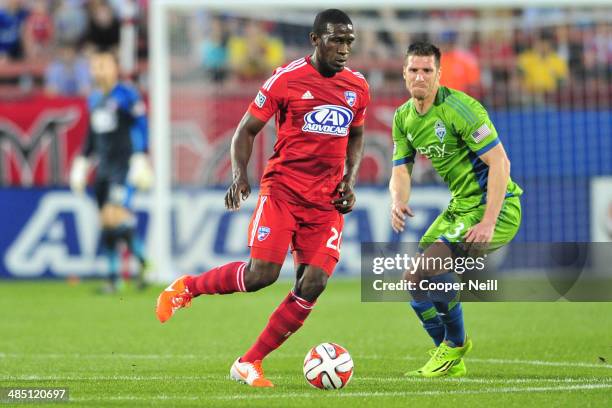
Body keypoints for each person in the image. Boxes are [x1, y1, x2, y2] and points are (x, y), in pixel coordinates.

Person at [156, 9, 370, 388]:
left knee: (314, 282)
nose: (343, 49)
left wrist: (349, 181)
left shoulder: (357, 87)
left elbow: (356, 135)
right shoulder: (285, 80)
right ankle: (188, 287)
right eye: (336, 40)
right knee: (261, 276)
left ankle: (249, 362)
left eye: (348, 41)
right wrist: (240, 176)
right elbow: (246, 130)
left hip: (325, 204)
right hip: (283, 193)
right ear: (315, 39)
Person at [389, 41, 522, 377]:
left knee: (425, 271)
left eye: (427, 70)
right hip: (460, 208)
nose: (420, 76)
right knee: (414, 280)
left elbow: (500, 163)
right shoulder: (404, 117)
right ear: (404, 74)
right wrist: (398, 200)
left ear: (439, 75)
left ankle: (456, 344)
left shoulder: (461, 109)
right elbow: (401, 168)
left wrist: (490, 221)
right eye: (414, 70)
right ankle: (449, 356)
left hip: (496, 207)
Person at [70, 50, 152, 293]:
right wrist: (82, 163)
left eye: (103, 65)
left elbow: (141, 126)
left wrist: (141, 156)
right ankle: (138, 265)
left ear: (115, 68)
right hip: (104, 168)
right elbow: (92, 136)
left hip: (124, 165)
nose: (98, 71)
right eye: (94, 66)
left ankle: (117, 278)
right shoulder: (94, 99)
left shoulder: (127, 94)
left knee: (112, 214)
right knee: (106, 221)